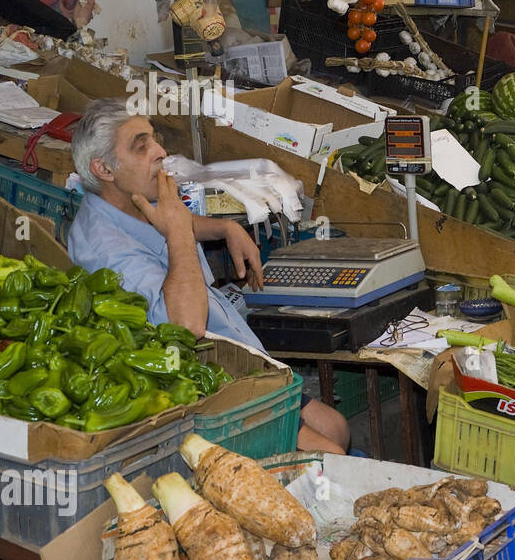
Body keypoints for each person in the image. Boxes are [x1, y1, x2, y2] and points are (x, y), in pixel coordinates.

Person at [68, 100, 353, 454]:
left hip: (238, 351)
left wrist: (224, 227)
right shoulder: (102, 249)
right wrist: (179, 234)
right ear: (104, 169)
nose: (160, 152)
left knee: (336, 426)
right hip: (206, 385)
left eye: (155, 140)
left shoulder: (134, 197)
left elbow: (172, 220)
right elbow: (186, 326)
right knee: (332, 456)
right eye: (142, 147)